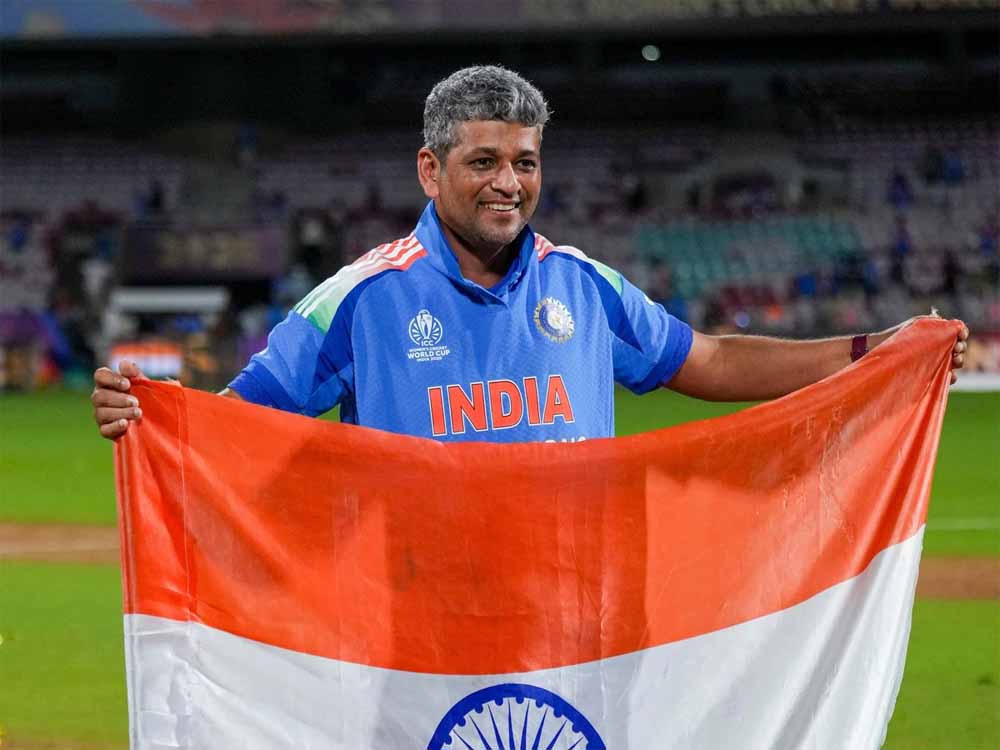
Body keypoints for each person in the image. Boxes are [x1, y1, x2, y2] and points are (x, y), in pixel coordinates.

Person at [92, 65, 969, 442]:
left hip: (571, 627)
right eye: (484, 162)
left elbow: (709, 359)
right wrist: (150, 416)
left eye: (526, 161)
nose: (508, 183)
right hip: (415, 638)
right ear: (431, 170)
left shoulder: (584, 285)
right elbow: (237, 423)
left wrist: (871, 351)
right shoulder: (358, 299)